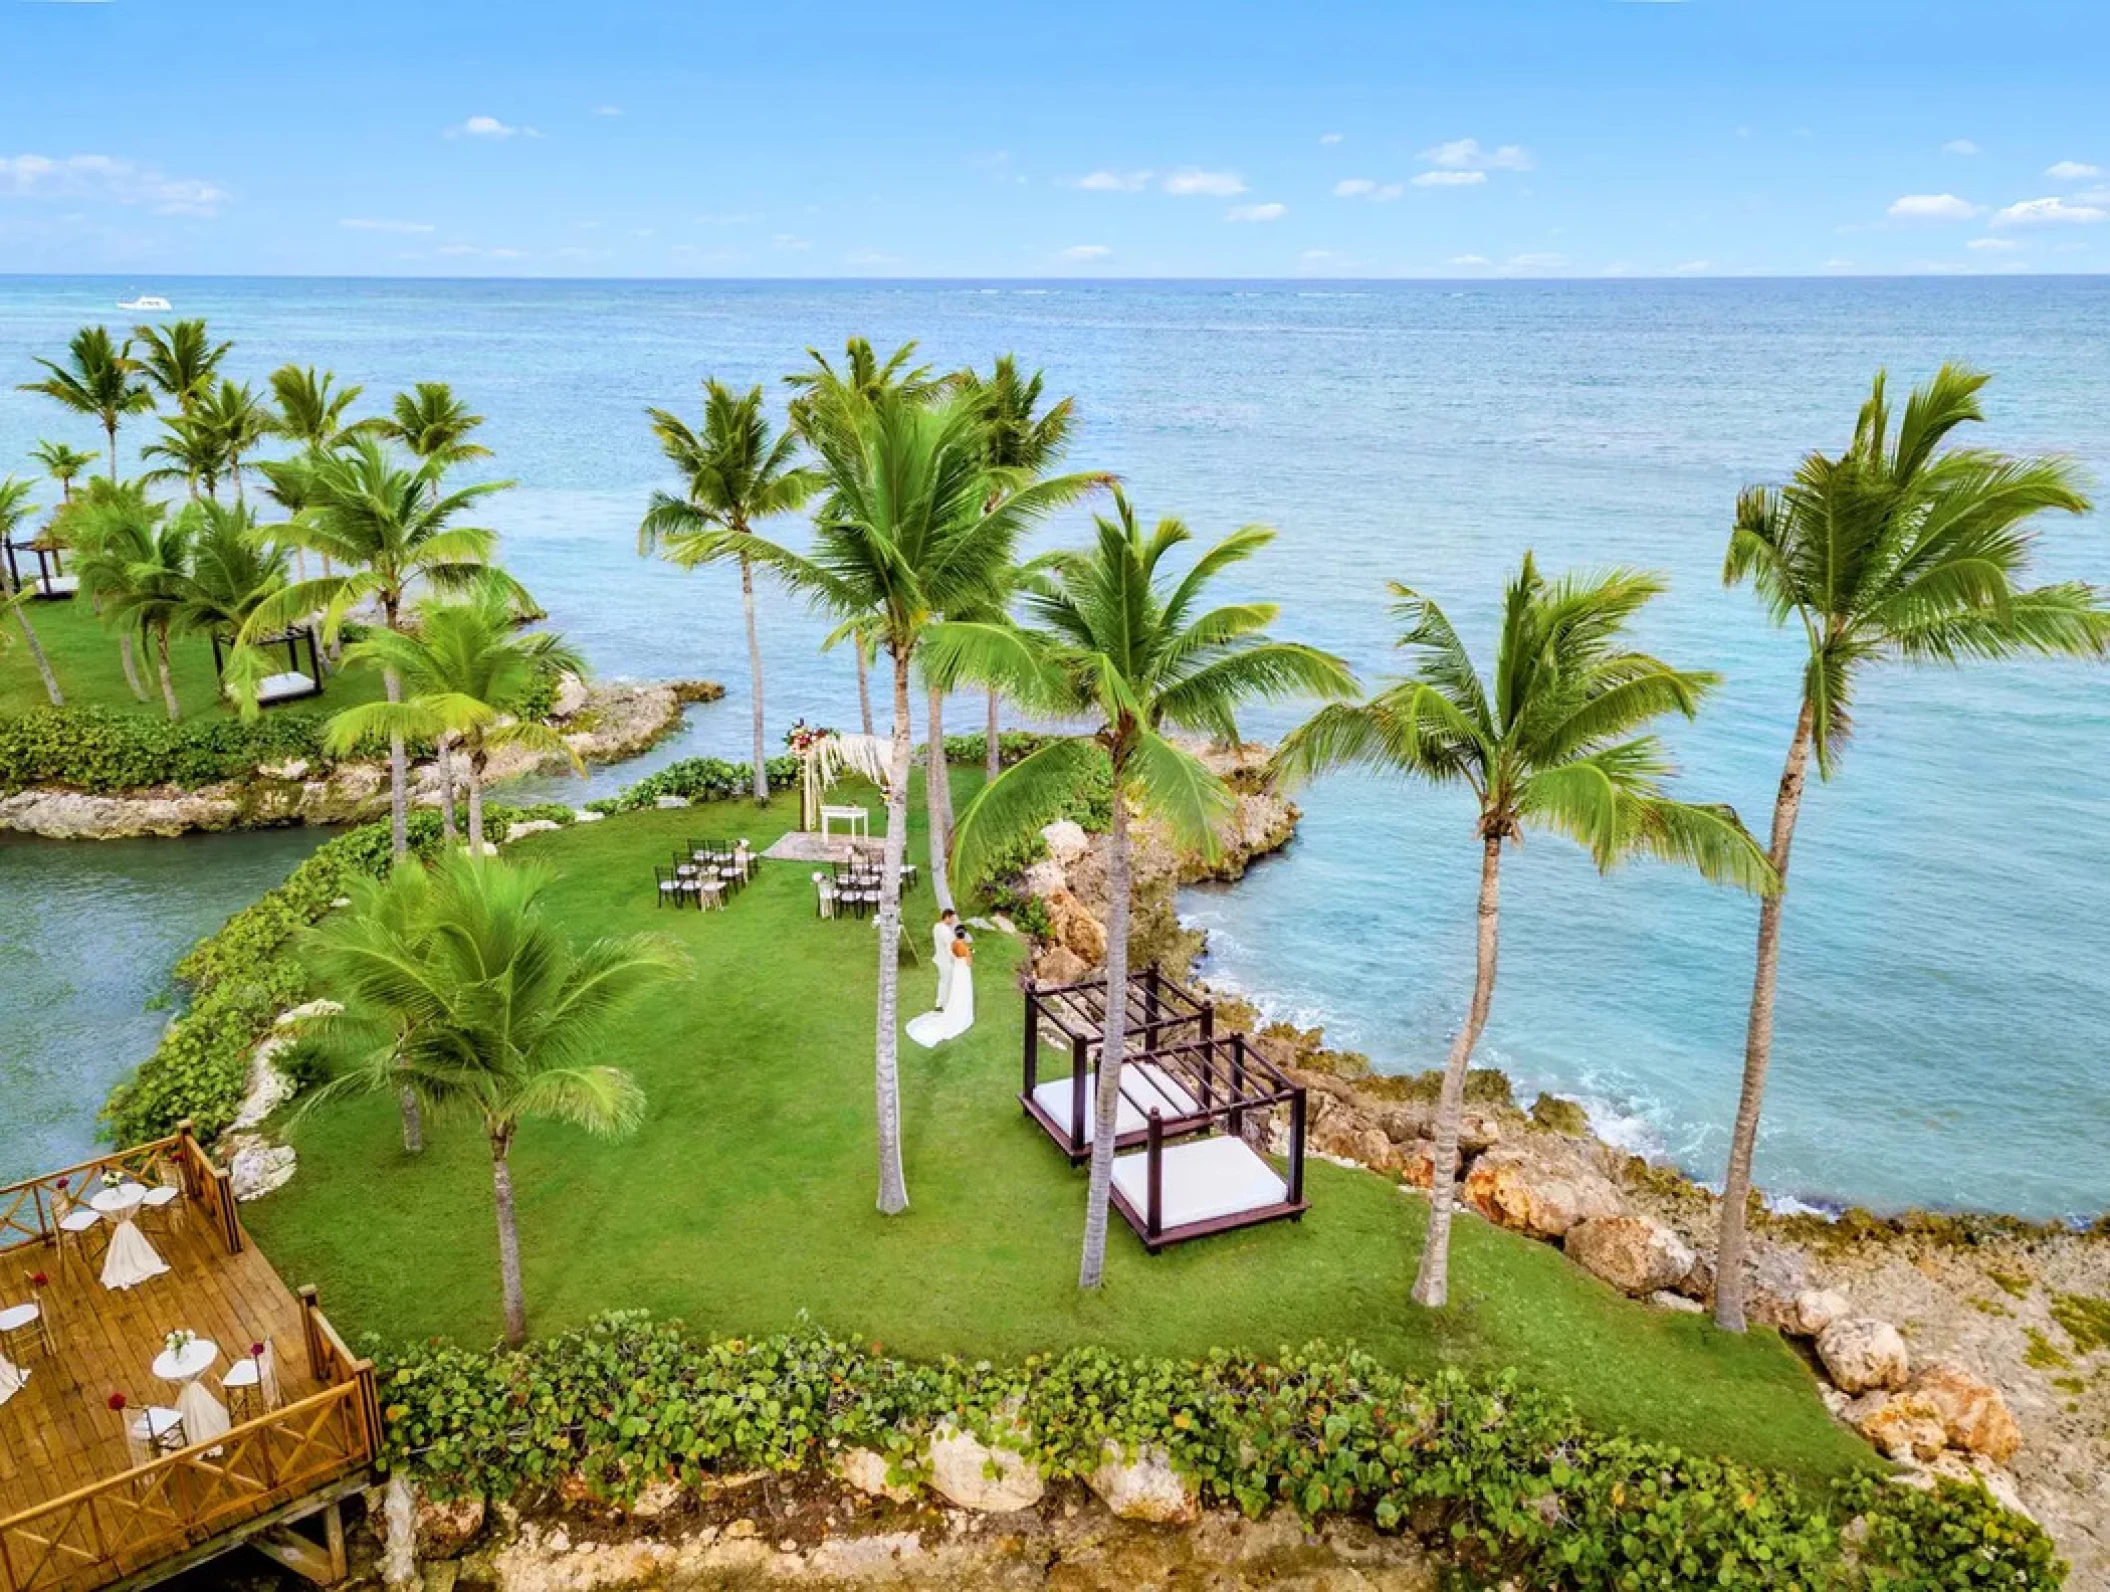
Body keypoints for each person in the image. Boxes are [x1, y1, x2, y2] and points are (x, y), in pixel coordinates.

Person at [907, 929, 974, 1048]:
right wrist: (970, 953)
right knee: (964, 991)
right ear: (964, 935)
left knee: (956, 991)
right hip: (963, 971)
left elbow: (953, 956)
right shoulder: (964, 946)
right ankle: (962, 1013)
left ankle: (955, 1008)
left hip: (956, 970)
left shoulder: (954, 943)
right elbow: (969, 963)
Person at [930, 908, 959, 1010]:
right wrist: (955, 958)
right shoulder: (946, 931)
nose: (952, 921)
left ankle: (939, 1003)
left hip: (939, 957)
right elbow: (949, 947)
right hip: (946, 959)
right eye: (952, 919)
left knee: (942, 981)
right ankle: (946, 1004)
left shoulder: (936, 927)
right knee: (947, 981)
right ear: (947, 917)